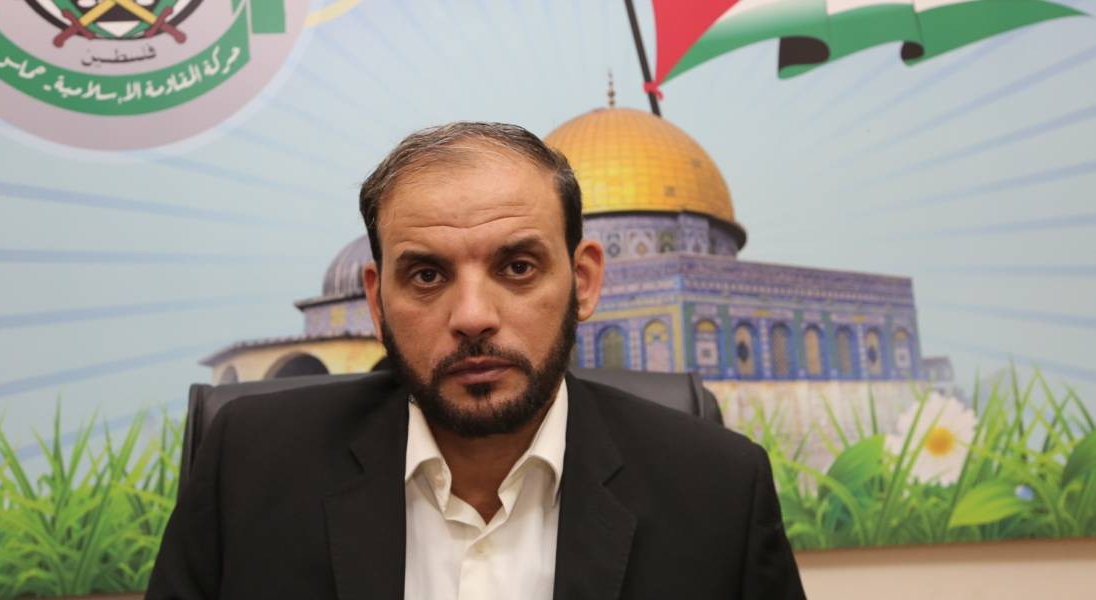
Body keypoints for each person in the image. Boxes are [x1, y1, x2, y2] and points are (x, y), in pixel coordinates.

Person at [146, 122, 806, 599]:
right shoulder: (251, 468)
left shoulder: (718, 491)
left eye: (517, 267)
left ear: (583, 282)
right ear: (377, 303)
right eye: (427, 276)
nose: (471, 316)